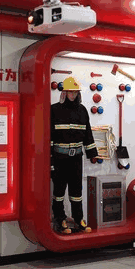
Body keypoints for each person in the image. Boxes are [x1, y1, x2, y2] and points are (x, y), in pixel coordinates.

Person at [51, 76, 98, 234]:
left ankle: (79, 219)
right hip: (59, 158)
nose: (73, 95)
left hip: (76, 158)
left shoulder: (82, 110)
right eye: (70, 92)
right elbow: (49, 136)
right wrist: (50, 161)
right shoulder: (54, 110)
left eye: (76, 92)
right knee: (59, 192)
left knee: (76, 191)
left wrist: (92, 153)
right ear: (64, 93)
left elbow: (88, 133)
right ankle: (60, 219)